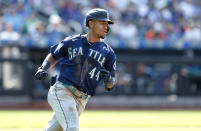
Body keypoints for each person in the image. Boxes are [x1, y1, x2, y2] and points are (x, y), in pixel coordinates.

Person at [34, 8, 117, 131]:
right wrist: (43, 68)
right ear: (91, 23)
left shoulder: (108, 52)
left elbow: (111, 85)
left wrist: (109, 80)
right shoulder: (72, 41)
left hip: (82, 100)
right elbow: (54, 55)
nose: (106, 27)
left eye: (107, 24)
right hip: (62, 91)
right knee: (72, 128)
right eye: (103, 23)